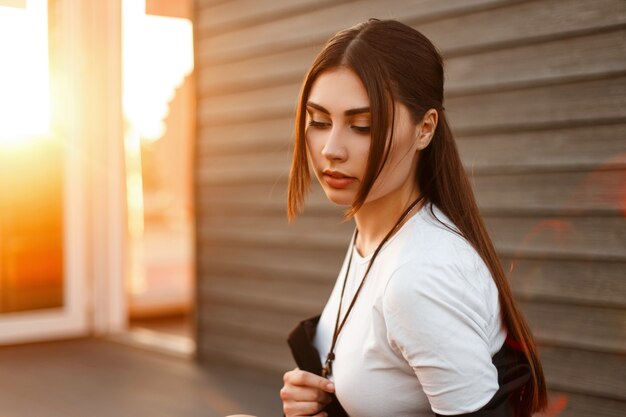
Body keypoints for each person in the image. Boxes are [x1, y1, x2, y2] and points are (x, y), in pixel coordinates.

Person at [280, 19, 548, 417]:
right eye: (319, 121)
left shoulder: (419, 276)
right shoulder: (375, 233)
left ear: (425, 129)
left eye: (363, 126)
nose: (331, 148)